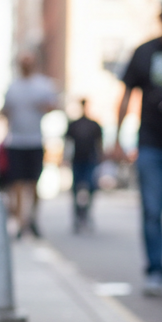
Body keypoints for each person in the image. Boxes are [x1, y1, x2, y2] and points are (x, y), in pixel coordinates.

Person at [114, 2, 162, 296]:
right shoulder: (144, 52)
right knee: (151, 209)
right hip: (150, 144)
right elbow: (125, 96)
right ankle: (155, 269)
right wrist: (118, 138)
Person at [1, 53, 58, 238]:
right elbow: (5, 111)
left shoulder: (43, 85)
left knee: (34, 183)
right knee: (16, 184)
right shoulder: (13, 87)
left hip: (35, 140)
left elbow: (53, 106)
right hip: (16, 141)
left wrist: (42, 106)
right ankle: (19, 221)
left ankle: (32, 217)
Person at [64, 98, 103, 233]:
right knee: (76, 188)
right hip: (77, 160)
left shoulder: (94, 125)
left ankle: (87, 212)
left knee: (91, 186)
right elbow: (68, 142)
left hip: (90, 160)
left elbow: (99, 143)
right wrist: (65, 158)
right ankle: (77, 215)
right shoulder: (74, 124)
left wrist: (100, 157)